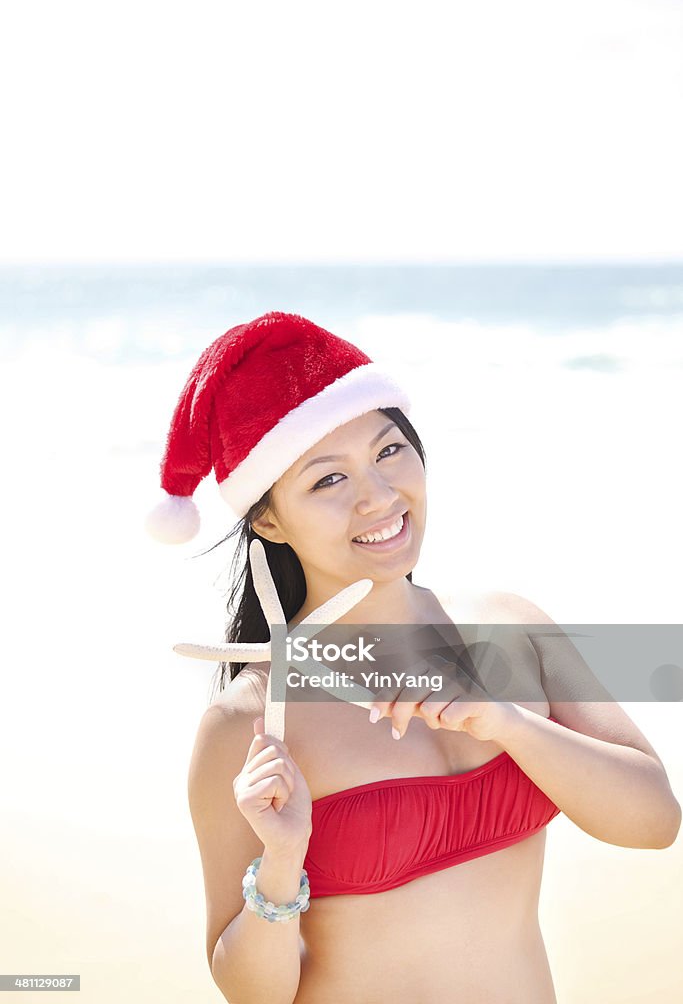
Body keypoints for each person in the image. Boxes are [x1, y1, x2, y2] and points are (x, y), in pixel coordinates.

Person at [145, 311, 681, 1004]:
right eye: (326, 481)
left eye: (389, 451)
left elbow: (653, 823)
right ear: (269, 521)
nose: (379, 496)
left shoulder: (510, 626)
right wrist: (280, 863)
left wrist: (509, 725)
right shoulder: (250, 720)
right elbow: (255, 994)